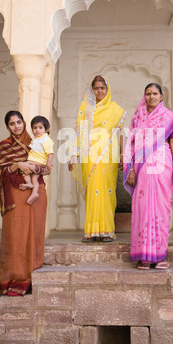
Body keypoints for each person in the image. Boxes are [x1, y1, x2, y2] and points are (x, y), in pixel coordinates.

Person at [123, 83, 173, 270]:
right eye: (148, 93)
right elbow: (131, 145)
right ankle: (145, 257)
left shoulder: (169, 117)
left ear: (162, 96)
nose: (151, 96)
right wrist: (130, 169)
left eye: (155, 93)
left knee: (161, 209)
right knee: (143, 207)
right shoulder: (138, 118)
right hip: (142, 168)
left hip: (163, 165)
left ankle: (159, 255)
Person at [0, 110, 49, 296]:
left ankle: (31, 276)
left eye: (19, 122)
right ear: (7, 126)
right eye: (12, 124)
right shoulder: (4, 145)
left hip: (36, 192)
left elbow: (47, 168)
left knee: (34, 233)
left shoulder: (35, 141)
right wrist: (17, 165)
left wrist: (34, 166)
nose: (16, 126)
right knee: (16, 235)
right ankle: (16, 277)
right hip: (15, 194)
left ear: (24, 123)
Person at [68, 75, 126, 243]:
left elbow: (121, 132)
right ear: (92, 90)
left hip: (108, 155)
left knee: (107, 192)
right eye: (96, 88)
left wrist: (123, 154)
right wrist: (74, 154)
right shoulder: (86, 107)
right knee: (93, 191)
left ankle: (107, 231)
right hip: (89, 156)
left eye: (102, 87)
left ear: (107, 90)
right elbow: (79, 131)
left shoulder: (116, 109)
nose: (99, 90)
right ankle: (92, 231)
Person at [20, 115, 54, 204]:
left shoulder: (45, 140)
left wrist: (49, 163)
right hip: (37, 162)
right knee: (35, 178)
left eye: (40, 127)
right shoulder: (36, 139)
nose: (37, 130)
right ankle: (34, 192)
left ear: (46, 129)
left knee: (24, 168)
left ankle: (28, 183)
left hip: (37, 161)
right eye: (34, 128)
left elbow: (50, 152)